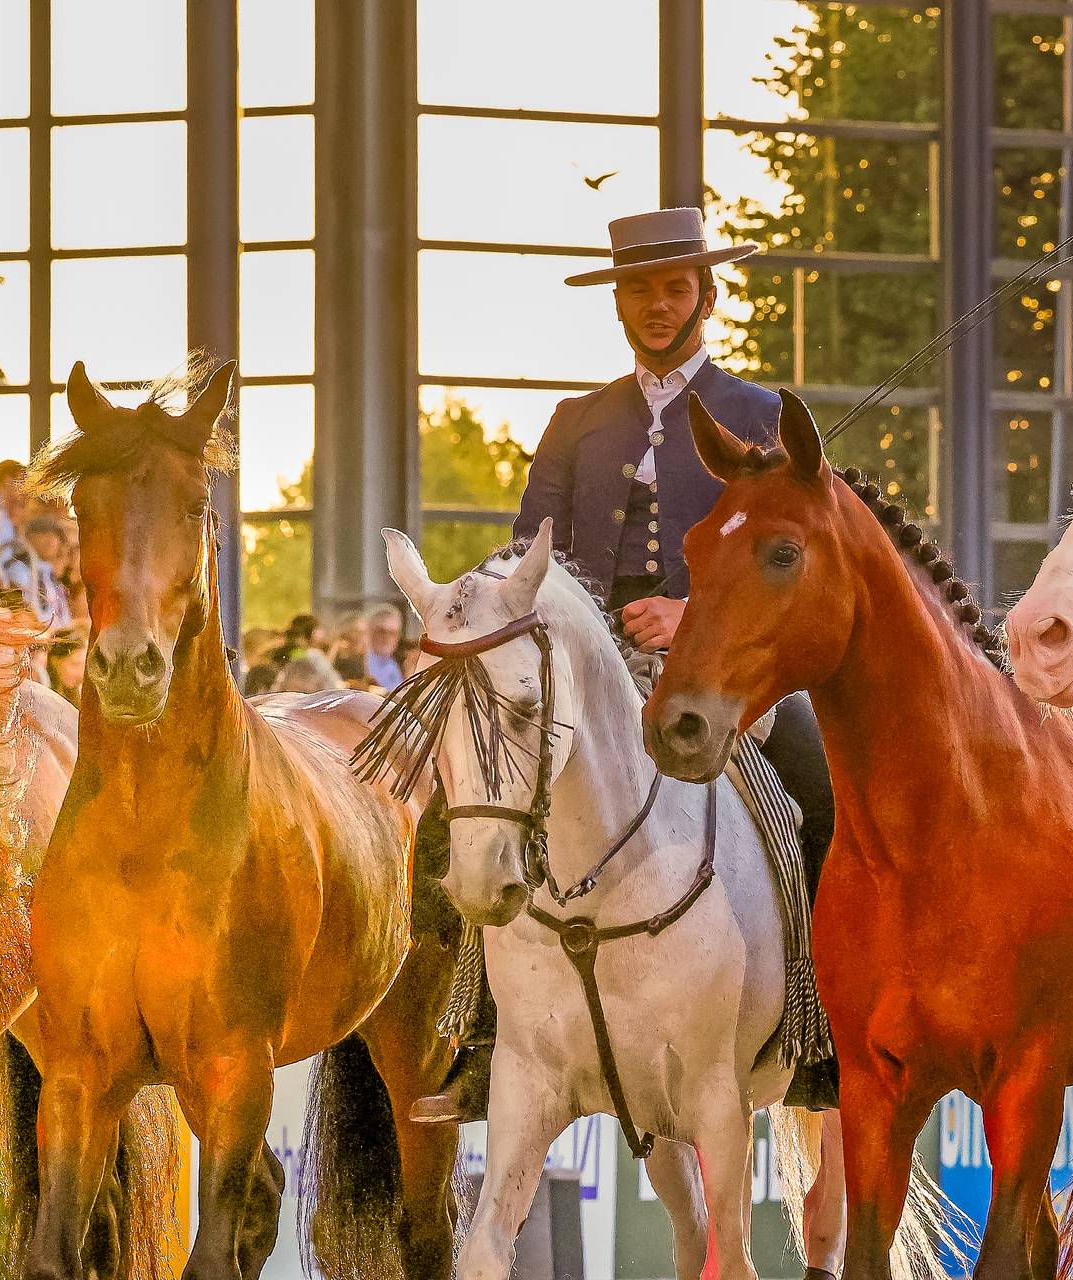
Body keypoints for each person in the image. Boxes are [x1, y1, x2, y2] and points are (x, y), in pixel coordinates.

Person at [413, 207, 844, 1136]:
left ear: (708, 296)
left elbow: (793, 560)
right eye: (640, 289)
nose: (657, 305)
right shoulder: (577, 424)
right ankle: (485, 1038)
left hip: (721, 676)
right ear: (617, 302)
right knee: (462, 817)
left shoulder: (760, 416)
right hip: (583, 681)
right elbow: (532, 555)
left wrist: (695, 615)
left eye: (674, 288)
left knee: (822, 788)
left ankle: (818, 1031)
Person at [0, 515, 75, 629]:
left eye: (55, 537)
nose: (53, 542)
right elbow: (22, 609)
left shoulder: (49, 574)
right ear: (30, 537)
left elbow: (61, 613)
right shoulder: (18, 568)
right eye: (45, 535)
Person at [359, 604, 405, 690]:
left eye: (393, 633)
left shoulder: (397, 664)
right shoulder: (359, 663)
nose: (387, 638)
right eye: (381, 631)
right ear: (369, 631)